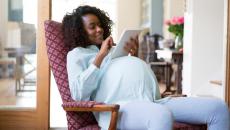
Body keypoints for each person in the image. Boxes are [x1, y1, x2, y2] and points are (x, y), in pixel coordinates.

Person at [62, 5, 229, 130]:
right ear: (80, 31)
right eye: (92, 26)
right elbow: (79, 94)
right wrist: (100, 57)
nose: (99, 29)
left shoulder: (110, 49)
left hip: (154, 100)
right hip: (120, 108)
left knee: (218, 109)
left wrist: (134, 58)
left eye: (100, 25)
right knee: (160, 116)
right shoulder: (76, 55)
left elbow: (126, 74)